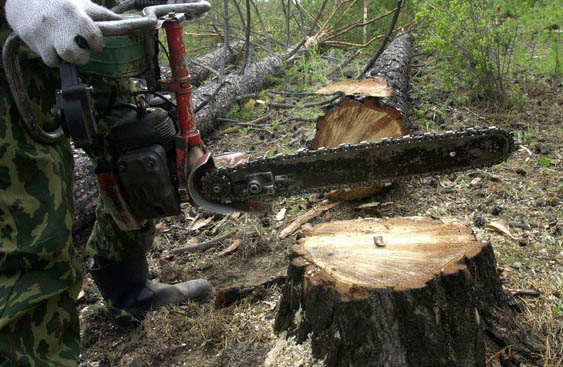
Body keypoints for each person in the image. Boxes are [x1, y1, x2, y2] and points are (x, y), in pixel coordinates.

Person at [0, 0, 213, 365]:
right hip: (13, 41)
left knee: (136, 145)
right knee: (30, 217)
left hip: (76, 21)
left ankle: (129, 290)